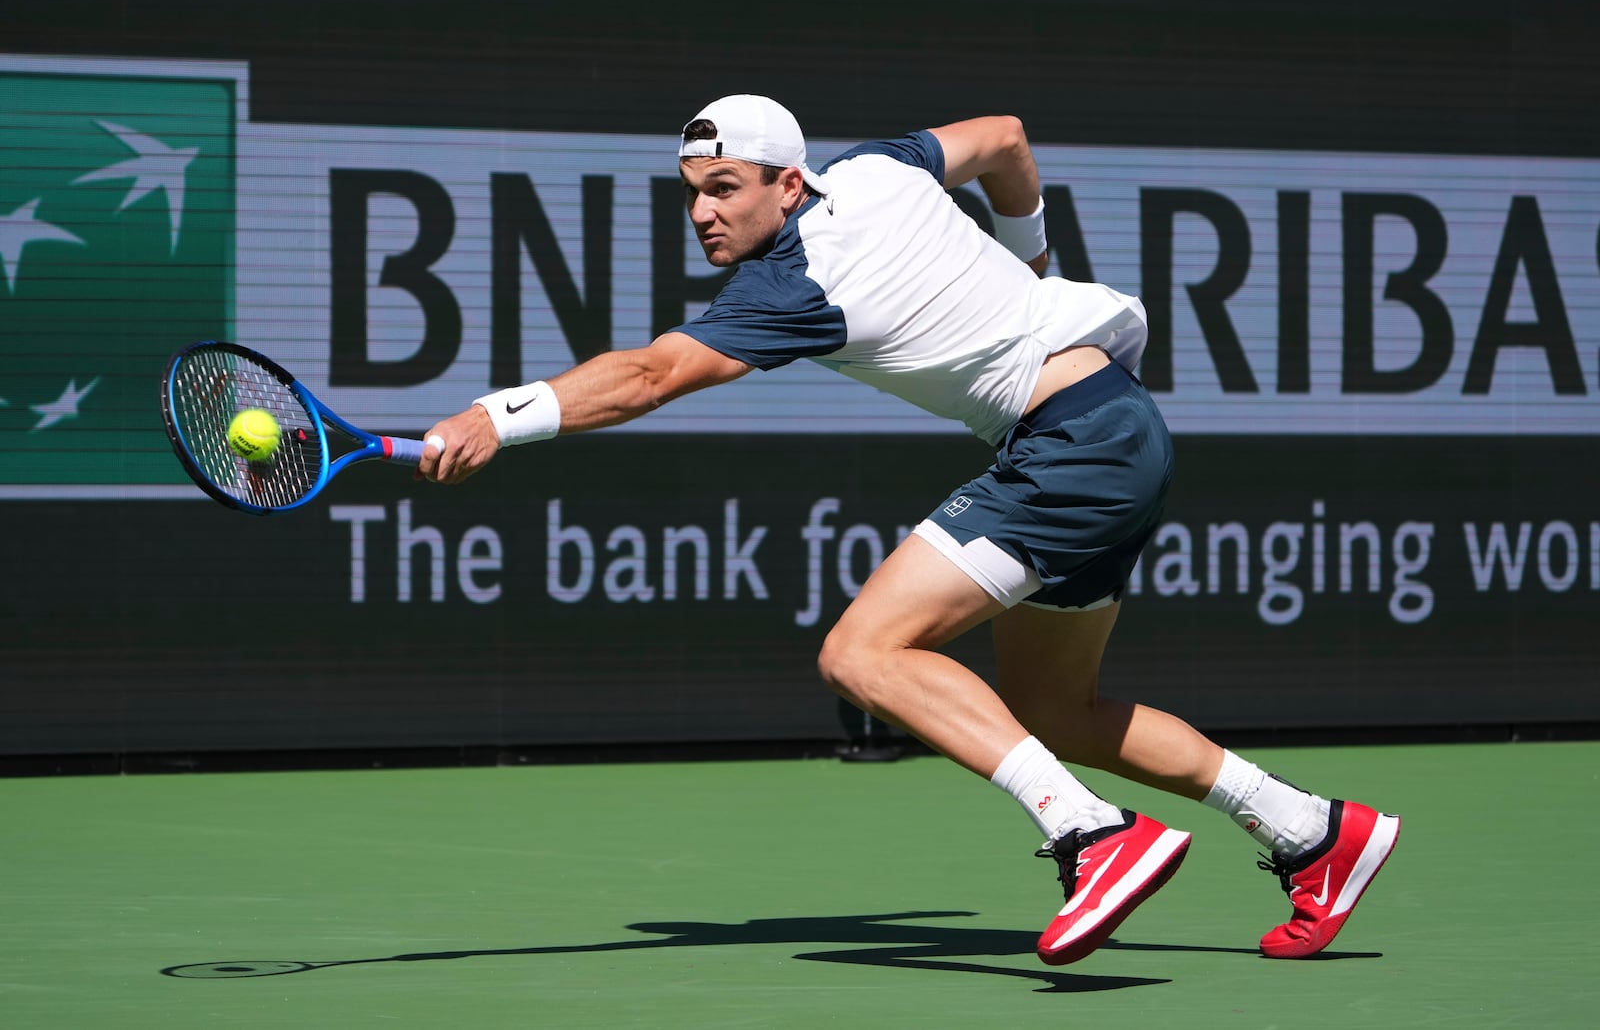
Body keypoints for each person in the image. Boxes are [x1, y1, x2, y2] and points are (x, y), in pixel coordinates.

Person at [416, 94, 1400, 965]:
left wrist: (493, 418)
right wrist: (1030, 271)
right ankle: (1311, 828)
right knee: (1054, 711)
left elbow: (646, 376)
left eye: (725, 188)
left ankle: (1090, 833)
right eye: (690, 192)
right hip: (1119, 425)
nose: (704, 212)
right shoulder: (881, 167)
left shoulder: (789, 286)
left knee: (862, 651)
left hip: (1069, 445)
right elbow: (1007, 137)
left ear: (785, 182)